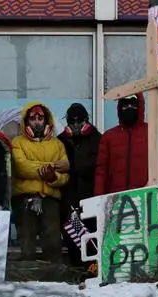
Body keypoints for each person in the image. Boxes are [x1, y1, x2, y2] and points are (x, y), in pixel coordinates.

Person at [11, 102, 69, 263]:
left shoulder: (57, 144)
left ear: (46, 120)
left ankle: (54, 278)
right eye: (33, 118)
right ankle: (25, 276)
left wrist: (54, 178)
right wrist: (49, 169)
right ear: (26, 121)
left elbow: (65, 175)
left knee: (52, 242)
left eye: (40, 118)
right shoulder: (17, 142)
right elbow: (21, 167)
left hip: (50, 198)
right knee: (27, 240)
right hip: (24, 198)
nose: (37, 121)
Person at [57, 103, 101, 266]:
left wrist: (71, 166)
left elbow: (97, 164)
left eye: (79, 122)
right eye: (72, 122)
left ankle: (91, 269)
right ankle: (76, 268)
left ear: (86, 121)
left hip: (90, 196)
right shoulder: (59, 141)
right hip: (68, 198)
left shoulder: (98, 139)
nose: (75, 126)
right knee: (72, 238)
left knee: (92, 237)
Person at [95, 94, 148, 196]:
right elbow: (101, 171)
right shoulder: (108, 136)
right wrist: (99, 199)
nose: (129, 109)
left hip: (145, 197)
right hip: (115, 200)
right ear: (119, 109)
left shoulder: (151, 132)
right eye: (125, 106)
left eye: (133, 106)